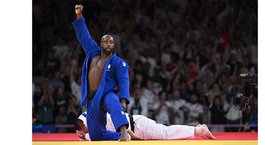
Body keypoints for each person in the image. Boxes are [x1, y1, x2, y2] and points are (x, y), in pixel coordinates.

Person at [72, 4, 131, 141]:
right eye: (106, 42)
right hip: (92, 98)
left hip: (106, 94)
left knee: (113, 101)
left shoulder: (118, 62)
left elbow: (124, 80)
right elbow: (84, 36)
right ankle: (120, 136)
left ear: (114, 45)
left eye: (111, 42)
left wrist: (123, 99)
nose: (108, 44)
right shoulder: (92, 52)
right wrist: (79, 16)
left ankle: (123, 132)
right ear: (101, 43)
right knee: (96, 135)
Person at [75, 111, 216, 140]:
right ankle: (197, 129)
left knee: (165, 133)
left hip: (138, 126)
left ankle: (199, 129)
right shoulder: (88, 117)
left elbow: (124, 130)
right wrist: (87, 135)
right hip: (134, 127)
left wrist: (87, 136)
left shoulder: (98, 119)